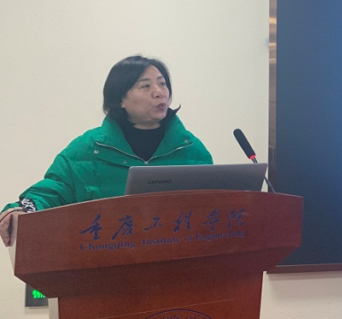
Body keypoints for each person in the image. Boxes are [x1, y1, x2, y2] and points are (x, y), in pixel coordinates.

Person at [0, 55, 212, 245]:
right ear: (120, 99)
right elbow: (51, 191)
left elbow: (214, 208)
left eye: (162, 84)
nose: (159, 93)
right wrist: (21, 210)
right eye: (145, 86)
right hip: (106, 263)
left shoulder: (191, 149)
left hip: (178, 265)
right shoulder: (88, 149)